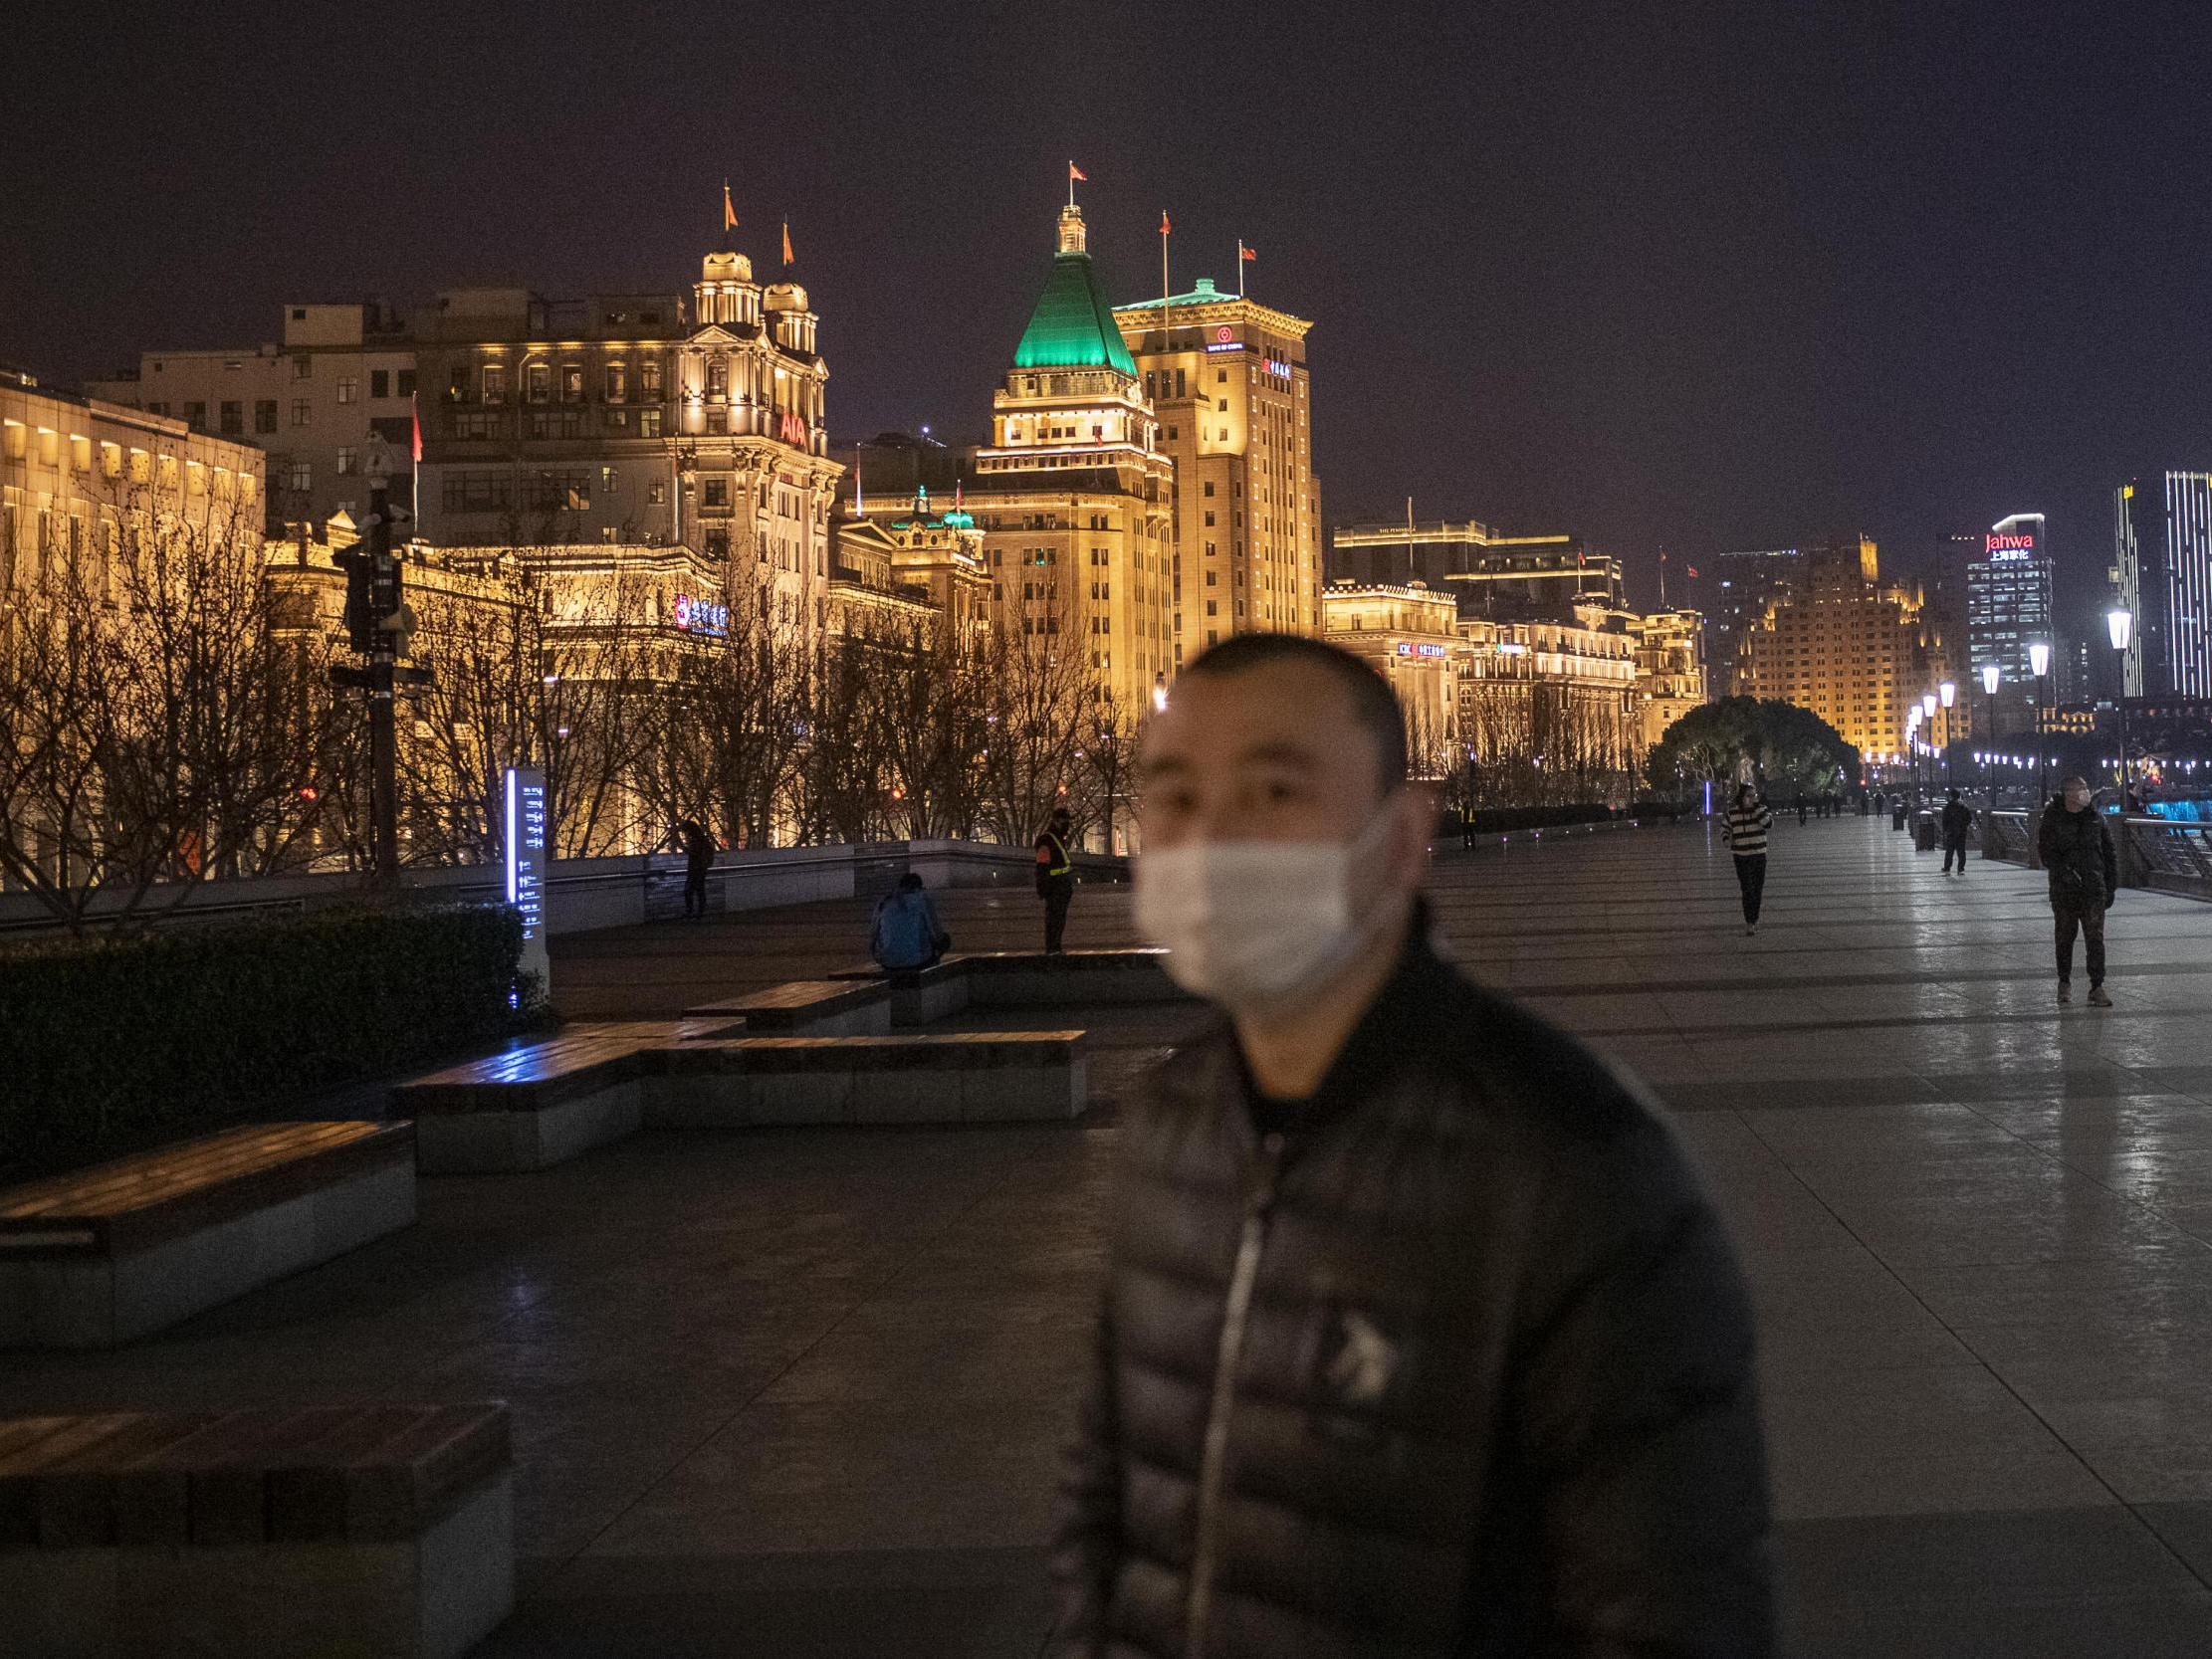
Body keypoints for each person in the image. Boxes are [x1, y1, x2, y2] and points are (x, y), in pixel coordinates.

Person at [1051, 633, 1773, 1659]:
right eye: (1171, 795)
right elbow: (1101, 1507)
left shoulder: (1575, 1169)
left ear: (1400, 840)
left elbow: (1672, 1613)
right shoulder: (1167, 1126)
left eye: (1273, 791)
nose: (1210, 838)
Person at [2038, 776, 2117, 1007]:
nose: (2086, 792)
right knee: (2064, 938)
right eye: (2081, 788)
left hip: (2094, 889)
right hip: (2065, 891)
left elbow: (2110, 854)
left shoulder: (2096, 818)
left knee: (2096, 939)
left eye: (2086, 787)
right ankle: (2064, 983)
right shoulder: (2053, 819)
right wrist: (2065, 872)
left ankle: (2097, 986)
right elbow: (2046, 853)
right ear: (2069, 793)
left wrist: (2110, 886)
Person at [869, 872, 949, 973]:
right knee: (946, 940)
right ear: (918, 887)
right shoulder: (922, 899)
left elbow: (873, 935)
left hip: (888, 962)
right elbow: (936, 935)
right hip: (918, 961)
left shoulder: (884, 901)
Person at [1726, 782, 1773, 935]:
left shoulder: (1762, 810)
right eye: (1749, 796)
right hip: (1741, 856)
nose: (1752, 798)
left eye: (1754, 795)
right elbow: (1725, 828)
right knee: (1747, 889)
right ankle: (1749, 922)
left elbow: (1768, 824)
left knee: (1757, 888)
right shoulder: (1732, 813)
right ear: (1742, 797)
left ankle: (1755, 918)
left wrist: (1757, 807)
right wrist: (1728, 840)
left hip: (1759, 854)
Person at [1035, 806, 1076, 953]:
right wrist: (1043, 887)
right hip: (1054, 886)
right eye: (1064, 821)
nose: (1067, 824)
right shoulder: (1047, 840)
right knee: (1054, 920)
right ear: (1056, 821)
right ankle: (1052, 949)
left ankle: (1056, 948)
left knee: (1059, 919)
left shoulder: (1056, 838)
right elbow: (1042, 866)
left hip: (1061, 885)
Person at [670, 818, 715, 920]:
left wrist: (683, 848)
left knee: (690, 890)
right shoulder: (702, 839)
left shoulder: (696, 840)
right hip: (700, 868)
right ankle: (699, 912)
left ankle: (692, 911)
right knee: (699, 890)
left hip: (696, 868)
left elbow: (695, 853)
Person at [1939, 787, 1973, 875]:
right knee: (1961, 851)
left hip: (1951, 831)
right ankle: (1961, 868)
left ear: (1951, 796)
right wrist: (1964, 825)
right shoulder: (1963, 807)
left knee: (1949, 851)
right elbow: (1969, 818)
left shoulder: (1948, 807)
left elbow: (1945, 819)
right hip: (1962, 831)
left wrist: (1945, 829)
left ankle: (1947, 867)